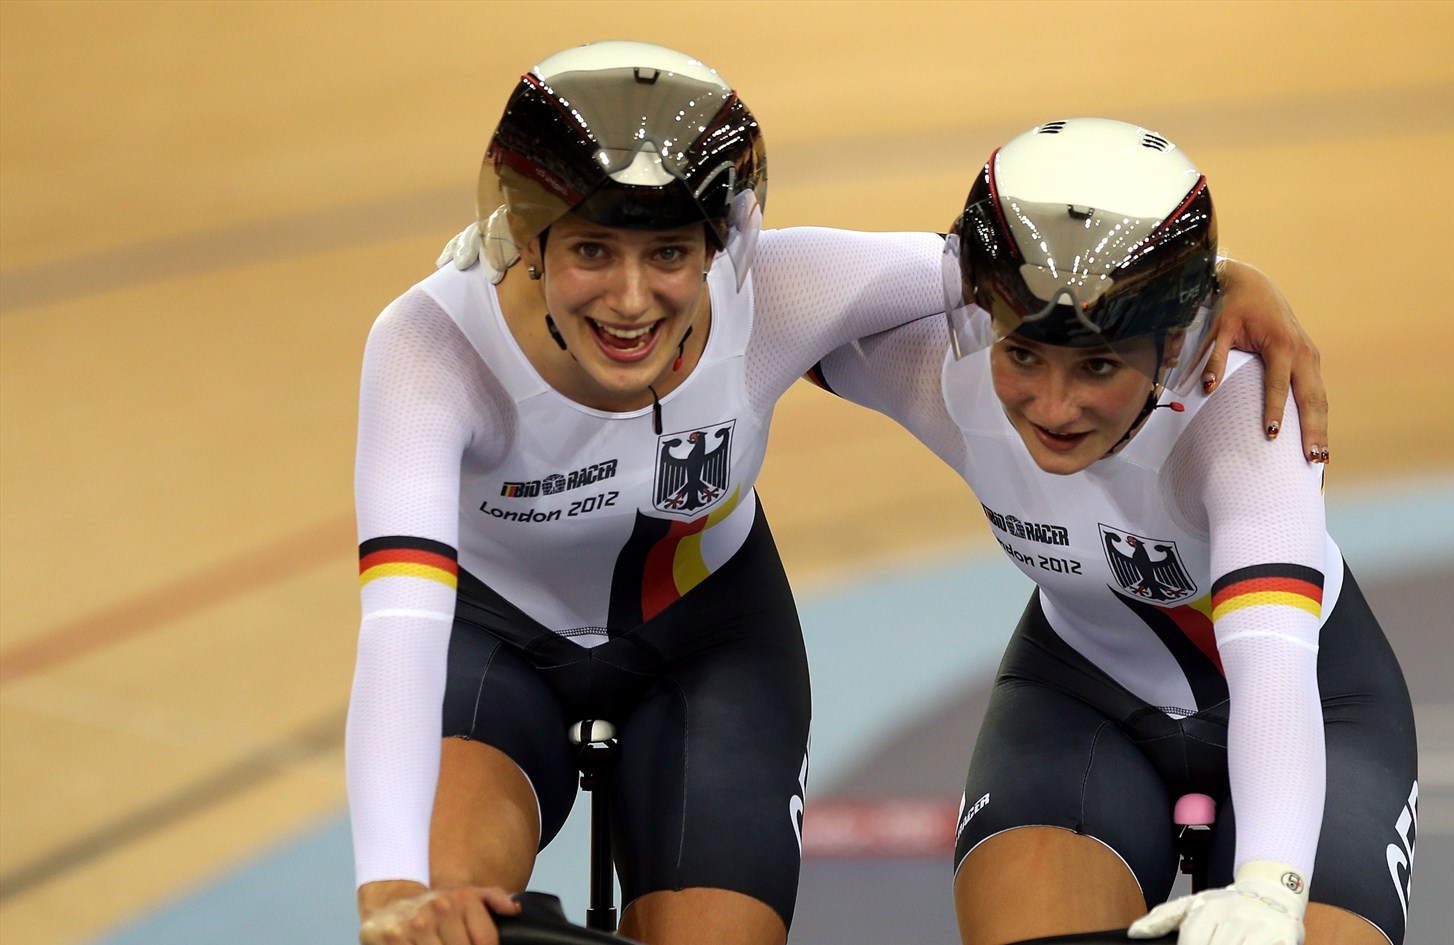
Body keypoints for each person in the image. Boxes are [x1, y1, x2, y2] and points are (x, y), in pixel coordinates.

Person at [354, 40, 1329, 945]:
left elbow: (1024, 277)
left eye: (670, 255)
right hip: (493, 650)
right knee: (448, 918)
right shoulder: (431, 348)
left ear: (724, 244)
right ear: (525, 237)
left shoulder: (785, 287)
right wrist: (389, 885)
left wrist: (1215, 282)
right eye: (591, 251)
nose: (632, 299)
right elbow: (401, 620)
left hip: (708, 648)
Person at [809, 119, 1417, 945]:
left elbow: (1273, 659)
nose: (1054, 407)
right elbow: (755, 295)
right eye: (1023, 354)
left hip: (1312, 700)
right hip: (1079, 697)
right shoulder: (938, 370)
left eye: (1098, 365)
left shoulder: (1244, 405)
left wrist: (1271, 890)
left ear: (1175, 340)